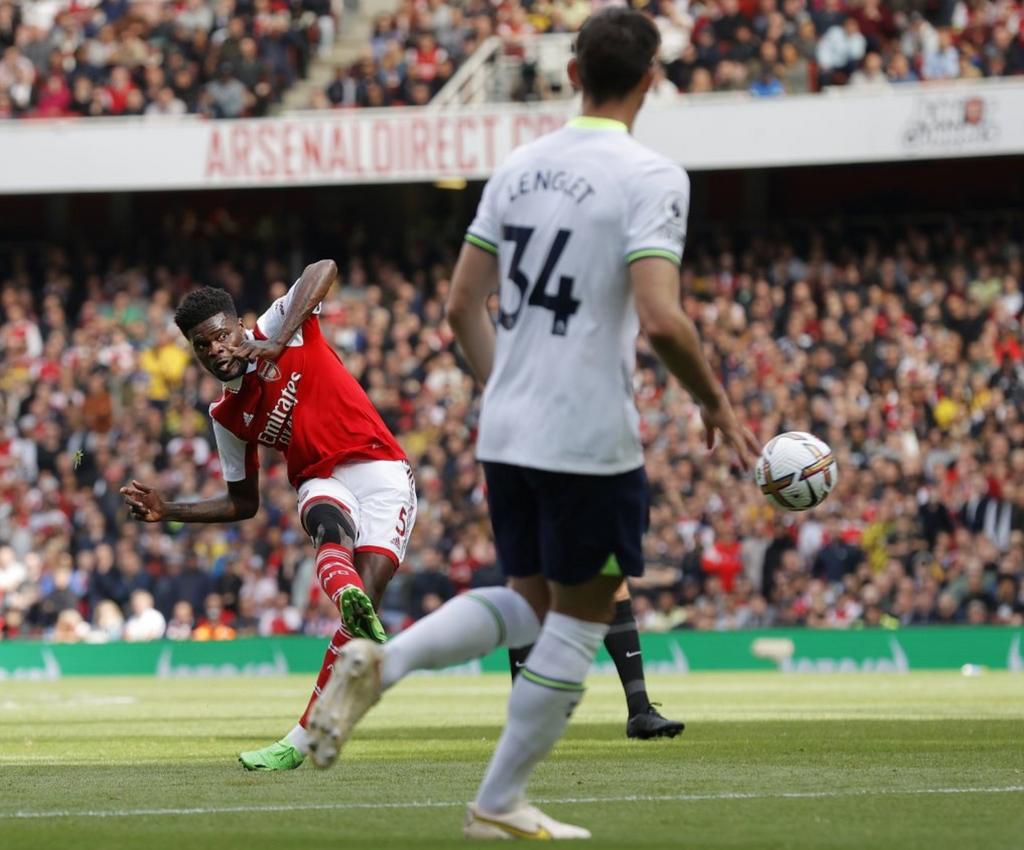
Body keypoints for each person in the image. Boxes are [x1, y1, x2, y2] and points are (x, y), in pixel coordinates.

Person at [305, 9, 759, 839]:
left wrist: (504, 381)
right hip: (587, 432)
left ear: (573, 70)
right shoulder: (652, 174)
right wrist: (716, 406)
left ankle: (387, 659)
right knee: (583, 619)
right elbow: (661, 320)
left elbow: (456, 307)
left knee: (532, 603)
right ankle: (498, 798)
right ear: (651, 79)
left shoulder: (518, 166)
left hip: (507, 425)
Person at [120, 259, 416, 771]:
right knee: (325, 517)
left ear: (238, 325)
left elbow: (324, 267)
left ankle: (312, 716)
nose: (216, 351)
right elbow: (243, 503)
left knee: (364, 621)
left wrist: (279, 339)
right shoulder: (226, 417)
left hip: (384, 472)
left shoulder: (279, 325)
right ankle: (339, 611)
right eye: (202, 347)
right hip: (322, 481)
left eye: (219, 336)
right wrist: (170, 510)